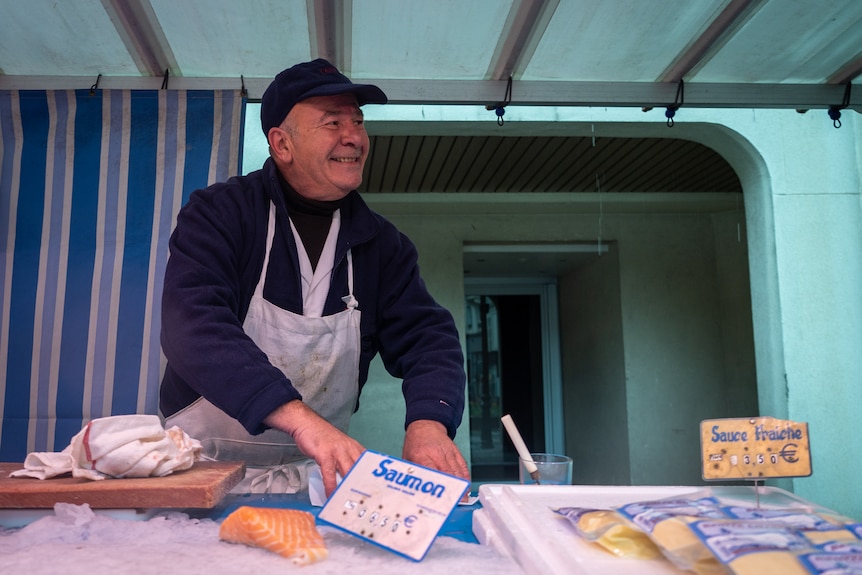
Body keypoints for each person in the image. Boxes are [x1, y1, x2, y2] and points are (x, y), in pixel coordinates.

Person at [159, 59, 469, 497]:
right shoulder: (221, 214)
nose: (353, 136)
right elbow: (192, 326)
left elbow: (428, 337)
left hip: (315, 476)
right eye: (332, 122)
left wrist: (429, 421)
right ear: (282, 144)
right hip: (200, 470)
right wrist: (302, 420)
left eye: (358, 121)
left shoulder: (382, 245)